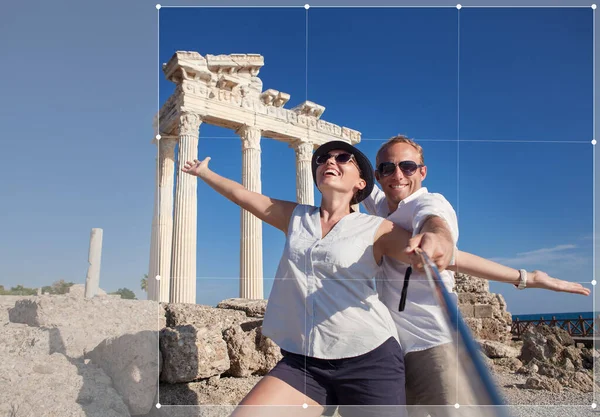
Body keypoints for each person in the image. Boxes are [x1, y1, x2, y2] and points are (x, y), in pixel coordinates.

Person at [183, 140, 454, 417]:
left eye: (343, 157)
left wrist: (444, 244)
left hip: (370, 360)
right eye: (323, 158)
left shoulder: (378, 227)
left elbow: (447, 252)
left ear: (361, 182)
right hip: (305, 361)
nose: (330, 161)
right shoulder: (296, 217)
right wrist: (205, 173)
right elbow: (243, 195)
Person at [362, 135, 590, 417]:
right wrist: (526, 277)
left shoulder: (428, 203)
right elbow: (357, 183)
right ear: (378, 175)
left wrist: (438, 238)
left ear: (422, 171)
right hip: (394, 350)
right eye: (387, 168)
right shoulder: (381, 206)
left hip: (436, 346)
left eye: (408, 166)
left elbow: (437, 222)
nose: (397, 174)